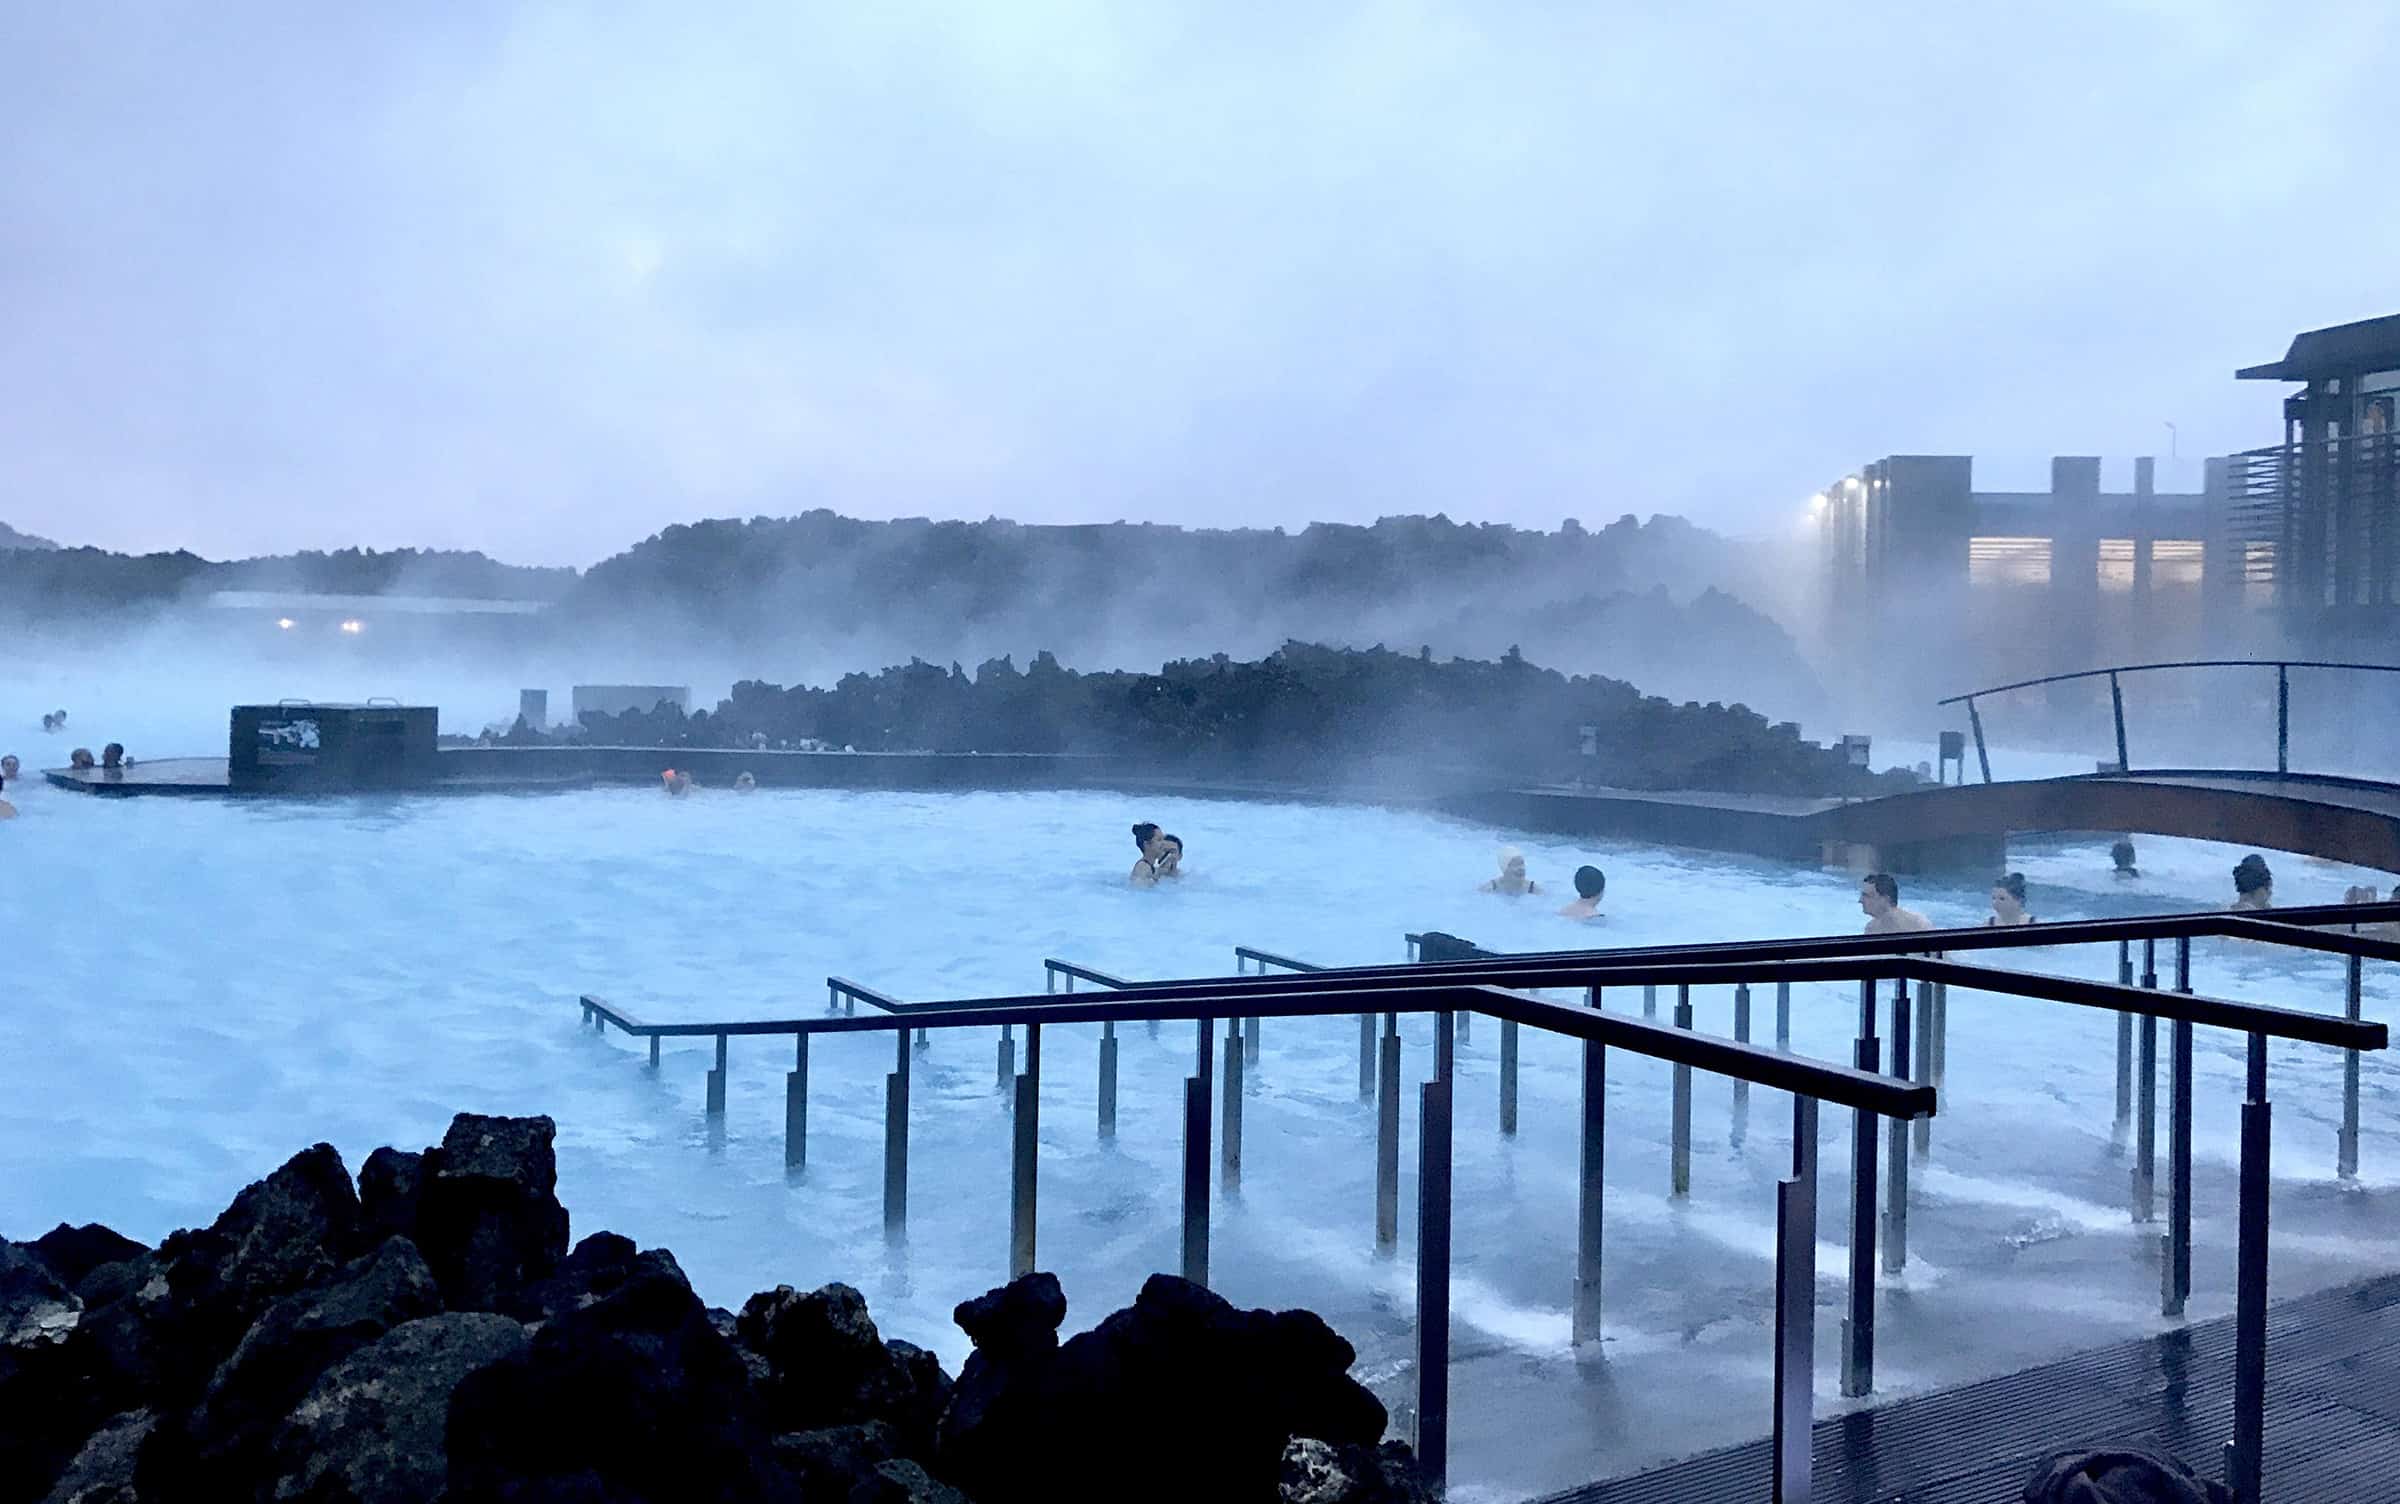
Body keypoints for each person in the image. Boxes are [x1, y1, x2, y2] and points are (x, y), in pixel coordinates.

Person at [1859, 872, 1934, 934]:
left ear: (1885, 899)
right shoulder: (1871, 929)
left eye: (1867, 896)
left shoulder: (1918, 924)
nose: (1860, 900)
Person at [1130, 822, 1164, 887]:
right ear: (1147, 844)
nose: (1163, 843)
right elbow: (1137, 889)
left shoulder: (1150, 867)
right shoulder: (1142, 867)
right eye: (1159, 840)